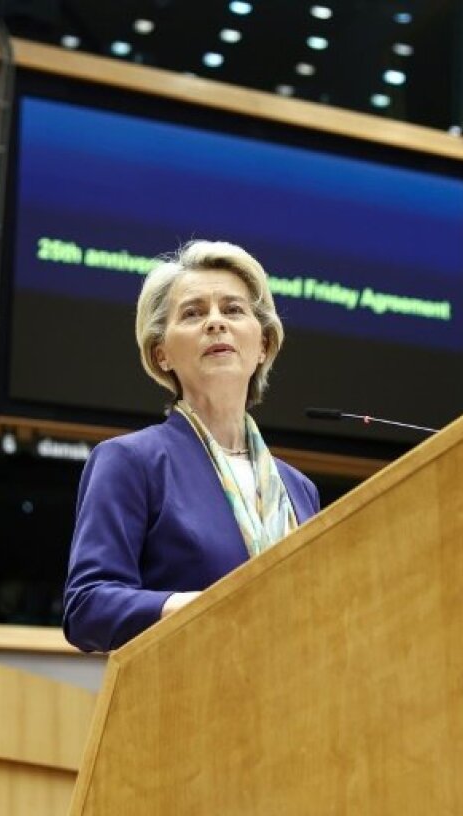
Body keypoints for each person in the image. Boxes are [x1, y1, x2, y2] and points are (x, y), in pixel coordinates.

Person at [62, 240, 321, 652]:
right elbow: (87, 606)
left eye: (233, 310)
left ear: (264, 346)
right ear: (161, 353)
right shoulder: (131, 462)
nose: (216, 323)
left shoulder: (299, 489)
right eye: (193, 313)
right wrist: (198, 609)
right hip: (184, 702)